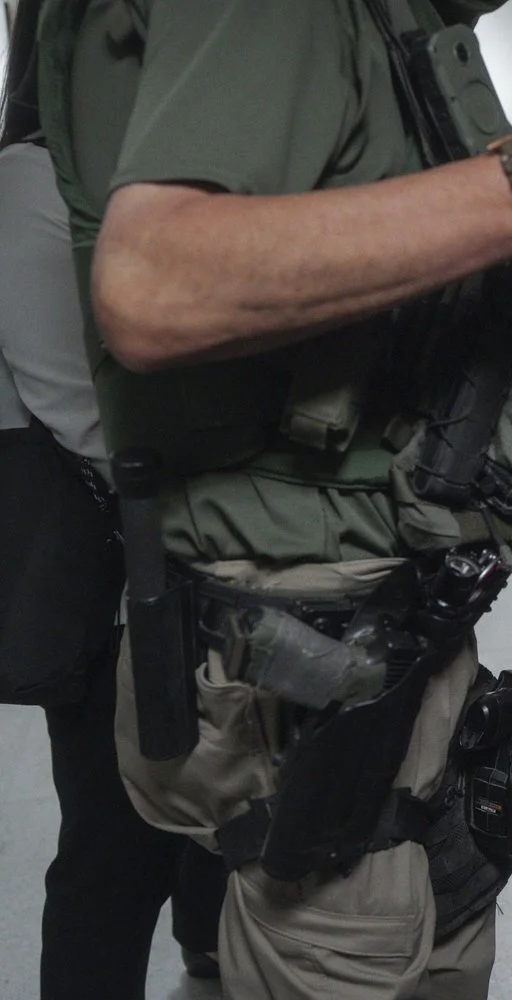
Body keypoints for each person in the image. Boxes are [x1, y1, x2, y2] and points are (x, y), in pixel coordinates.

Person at [33, 1, 512, 995]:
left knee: (434, 936)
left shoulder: (385, 29)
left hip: (405, 631)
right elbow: (154, 283)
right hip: (315, 661)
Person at [0, 6, 227, 996]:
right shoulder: (34, 178)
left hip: (174, 542)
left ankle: (207, 942)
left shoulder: (136, 165)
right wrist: (215, 501)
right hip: (109, 560)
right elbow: (66, 398)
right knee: (110, 832)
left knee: (209, 783)